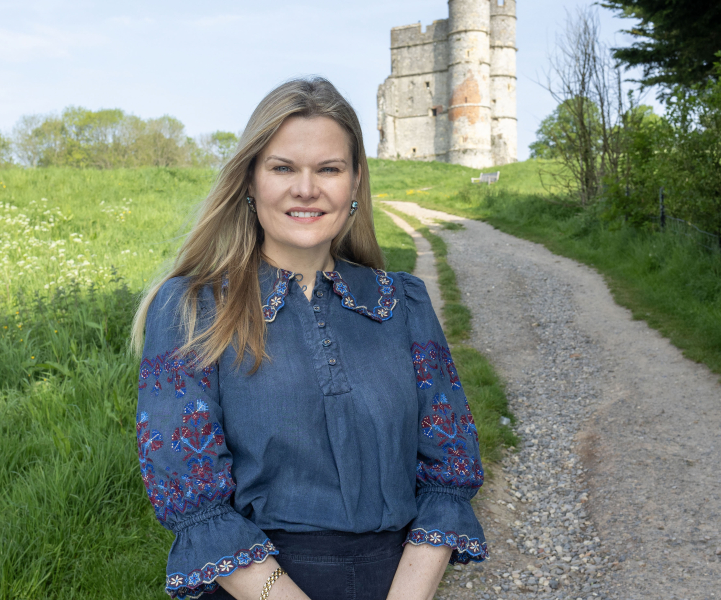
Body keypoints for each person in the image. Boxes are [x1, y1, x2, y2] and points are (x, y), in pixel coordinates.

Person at [132, 78, 487, 600]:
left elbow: (449, 471)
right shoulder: (191, 308)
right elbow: (190, 494)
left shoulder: (403, 302)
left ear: (355, 182)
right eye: (282, 168)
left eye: (329, 168)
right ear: (250, 182)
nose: (306, 188)